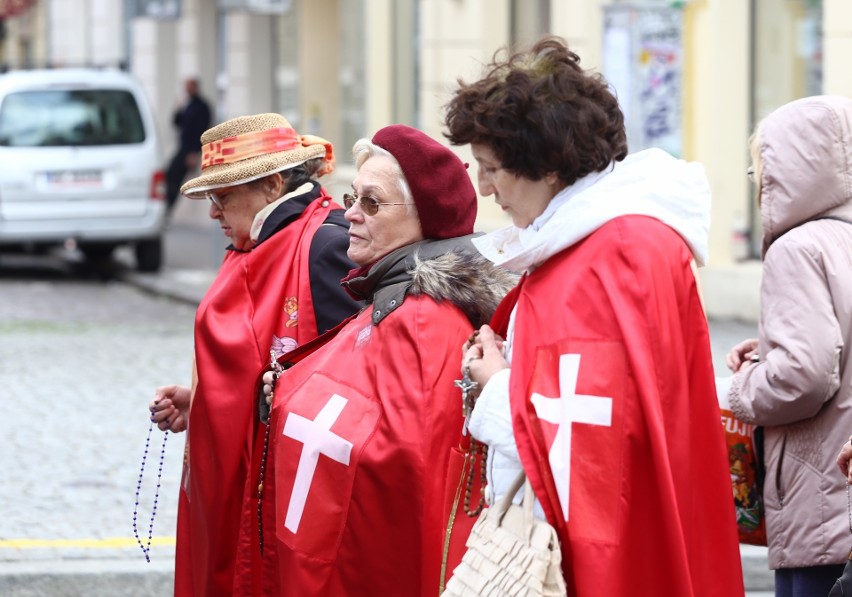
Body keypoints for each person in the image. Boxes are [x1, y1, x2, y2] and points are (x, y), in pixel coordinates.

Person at [444, 36, 744, 596]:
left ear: (547, 166)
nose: (484, 188)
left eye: (491, 168)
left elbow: (600, 447)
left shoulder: (618, 253)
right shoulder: (593, 241)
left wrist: (497, 389)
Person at [246, 124, 517, 595]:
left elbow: (411, 465)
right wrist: (290, 390)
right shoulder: (389, 293)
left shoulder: (424, 322)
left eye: (371, 203)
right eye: (352, 198)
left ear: (424, 219)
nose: (350, 215)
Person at [148, 112, 362, 597]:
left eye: (222, 197)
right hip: (241, 480)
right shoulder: (259, 242)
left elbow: (344, 385)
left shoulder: (325, 245)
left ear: (272, 185)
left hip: (287, 488)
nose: (213, 213)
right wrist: (203, 401)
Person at [725, 95, 852, 597]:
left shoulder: (799, 249)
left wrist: (743, 386)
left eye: (760, 171)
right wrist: (771, 345)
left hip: (819, 495)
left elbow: (804, 375)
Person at [165, 78, 212, 213]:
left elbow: (202, 131)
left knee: (176, 179)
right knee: (169, 176)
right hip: (183, 147)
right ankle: (166, 208)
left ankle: (168, 209)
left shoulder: (202, 106)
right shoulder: (187, 104)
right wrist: (178, 107)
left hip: (191, 150)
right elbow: (176, 122)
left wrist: (195, 152)